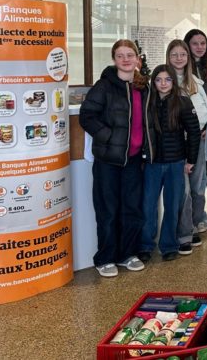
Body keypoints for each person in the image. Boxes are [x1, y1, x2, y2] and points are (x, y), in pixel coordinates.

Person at [79, 39, 148, 277]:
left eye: (130, 55)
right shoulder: (105, 85)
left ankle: (127, 254)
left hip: (134, 160)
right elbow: (87, 116)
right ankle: (105, 258)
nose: (126, 59)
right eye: (120, 55)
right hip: (108, 160)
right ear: (114, 59)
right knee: (108, 210)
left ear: (137, 58)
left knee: (132, 209)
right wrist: (108, 136)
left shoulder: (142, 86)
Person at [138, 65, 201, 262]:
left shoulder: (182, 102)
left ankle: (168, 245)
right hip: (153, 163)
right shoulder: (148, 102)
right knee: (148, 206)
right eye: (158, 80)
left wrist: (190, 161)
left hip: (176, 163)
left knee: (173, 206)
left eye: (167, 79)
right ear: (153, 82)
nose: (163, 83)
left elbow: (194, 132)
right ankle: (146, 245)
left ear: (173, 82)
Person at [166, 40, 207, 253]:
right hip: (177, 144)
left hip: (199, 141)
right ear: (168, 57)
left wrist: (201, 128)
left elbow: (203, 110)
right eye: (174, 54)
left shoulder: (194, 81)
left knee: (197, 185)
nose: (178, 58)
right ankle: (184, 231)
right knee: (183, 189)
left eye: (182, 54)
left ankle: (194, 222)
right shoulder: (165, 82)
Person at [184, 29, 207, 231]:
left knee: (200, 177)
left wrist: (205, 126)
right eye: (194, 43)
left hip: (205, 130)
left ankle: (200, 215)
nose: (199, 47)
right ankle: (189, 220)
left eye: (202, 43)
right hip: (188, 132)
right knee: (188, 179)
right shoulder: (179, 70)